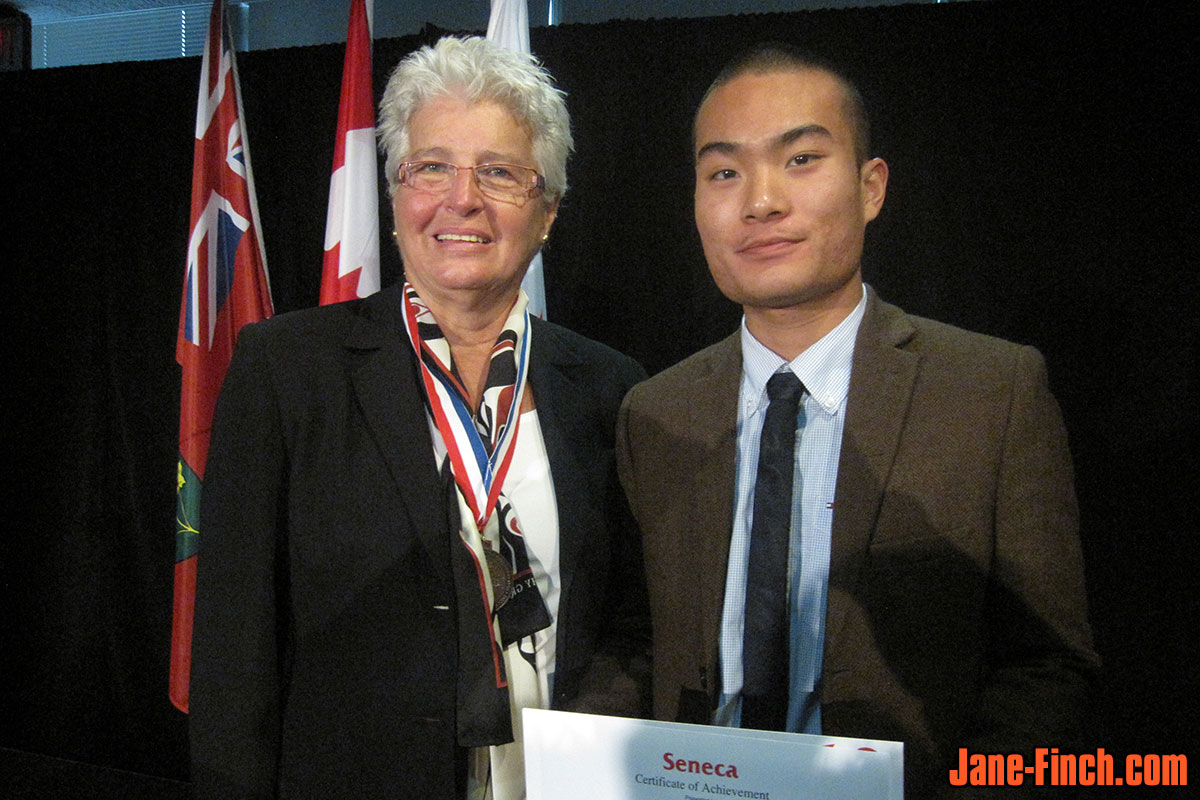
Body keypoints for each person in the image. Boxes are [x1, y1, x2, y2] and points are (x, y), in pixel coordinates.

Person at [616, 44, 1098, 797]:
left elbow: (1047, 665)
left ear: (871, 186)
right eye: (724, 172)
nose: (761, 201)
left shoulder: (993, 391)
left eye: (802, 159)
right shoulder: (654, 411)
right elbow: (638, 642)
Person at [190, 36, 649, 800]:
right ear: (397, 195)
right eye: (430, 167)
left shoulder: (610, 387)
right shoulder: (286, 370)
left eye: (499, 173)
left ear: (547, 212)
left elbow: (631, 627)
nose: (460, 198)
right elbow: (236, 653)